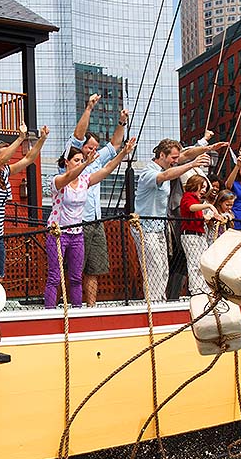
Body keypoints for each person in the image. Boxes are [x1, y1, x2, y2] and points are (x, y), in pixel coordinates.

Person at [47, 139, 137, 308]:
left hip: (77, 234)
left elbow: (107, 169)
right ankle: (49, 311)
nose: (80, 164)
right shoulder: (58, 180)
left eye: (81, 160)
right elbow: (69, 176)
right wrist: (86, 164)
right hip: (58, 233)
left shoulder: (84, 181)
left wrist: (123, 153)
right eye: (76, 160)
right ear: (66, 162)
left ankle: (77, 310)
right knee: (54, 276)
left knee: (75, 276)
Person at [61, 94, 128, 306]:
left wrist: (121, 123)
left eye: (95, 148)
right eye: (90, 147)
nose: (94, 151)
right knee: (72, 269)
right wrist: (89, 108)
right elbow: (78, 135)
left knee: (94, 268)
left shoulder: (97, 163)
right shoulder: (71, 163)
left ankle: (91, 306)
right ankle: (69, 305)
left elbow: (115, 144)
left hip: (96, 222)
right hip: (76, 224)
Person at [136, 139, 209, 301]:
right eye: (174, 158)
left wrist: (208, 147)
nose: (176, 161)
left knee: (163, 268)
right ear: (162, 155)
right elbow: (165, 176)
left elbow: (187, 154)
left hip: (160, 227)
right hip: (146, 228)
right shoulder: (149, 173)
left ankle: (159, 300)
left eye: (177, 158)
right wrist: (192, 165)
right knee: (154, 266)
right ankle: (154, 303)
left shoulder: (167, 165)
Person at [0, 124, 48, 276]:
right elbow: (1, 161)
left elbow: (28, 158)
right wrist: (21, 138)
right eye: (3, 154)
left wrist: (42, 140)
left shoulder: (4, 172)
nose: (7, 157)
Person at [179, 175, 216, 295]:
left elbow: (194, 212)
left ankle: (202, 287)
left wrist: (205, 217)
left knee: (202, 262)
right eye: (202, 187)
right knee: (194, 263)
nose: (204, 190)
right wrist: (208, 205)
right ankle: (196, 289)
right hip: (190, 234)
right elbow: (190, 207)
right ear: (195, 185)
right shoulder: (188, 196)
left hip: (199, 234)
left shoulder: (196, 200)